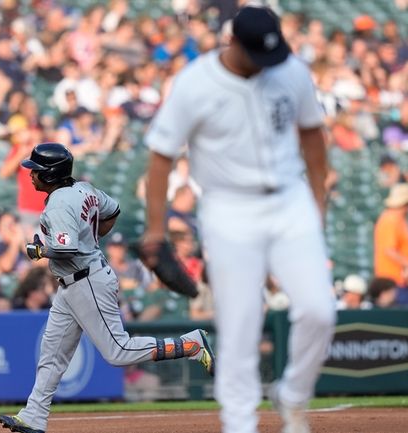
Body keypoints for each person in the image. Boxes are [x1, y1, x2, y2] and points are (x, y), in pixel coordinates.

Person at [143, 7, 335, 433]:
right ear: (234, 43)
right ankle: (239, 422)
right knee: (240, 323)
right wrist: (156, 227)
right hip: (229, 209)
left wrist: (317, 202)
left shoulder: (291, 71)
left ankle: (293, 395)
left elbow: (312, 136)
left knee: (320, 310)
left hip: (289, 199)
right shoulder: (195, 83)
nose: (270, 61)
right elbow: (160, 158)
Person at [0, 143, 214, 433]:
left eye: (36, 170)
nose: (31, 175)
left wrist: (40, 251)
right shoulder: (84, 189)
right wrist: (92, 235)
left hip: (86, 281)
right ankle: (34, 415)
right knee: (52, 353)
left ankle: (191, 344)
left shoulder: (59, 203)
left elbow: (66, 247)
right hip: (73, 282)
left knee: (118, 351)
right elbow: (113, 209)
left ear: (49, 174)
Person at [374, 184, 408, 286]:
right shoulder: (390, 220)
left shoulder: (399, 220)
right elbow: (389, 250)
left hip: (402, 280)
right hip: (393, 281)